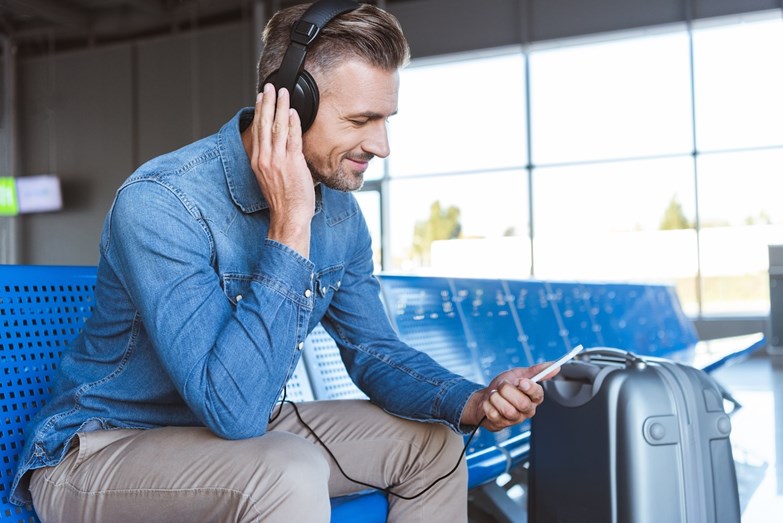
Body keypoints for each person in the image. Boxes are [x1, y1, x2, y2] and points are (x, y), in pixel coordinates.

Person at [11, 1, 556, 521]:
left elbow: (373, 351)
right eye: (361, 120)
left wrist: (474, 400)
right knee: (288, 471)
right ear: (292, 105)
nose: (382, 144)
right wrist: (290, 223)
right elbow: (233, 410)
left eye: (387, 119)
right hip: (105, 450)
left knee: (435, 446)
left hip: (243, 439)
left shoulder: (339, 214)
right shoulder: (162, 202)